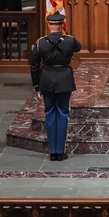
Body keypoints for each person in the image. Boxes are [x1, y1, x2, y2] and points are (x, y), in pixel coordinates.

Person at [29, 13, 82, 161]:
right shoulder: (69, 40)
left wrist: (36, 84)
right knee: (63, 114)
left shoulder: (41, 43)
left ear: (49, 25)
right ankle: (60, 151)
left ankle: (53, 151)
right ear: (62, 25)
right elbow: (78, 47)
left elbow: (34, 65)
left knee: (50, 114)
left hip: (47, 79)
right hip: (64, 78)